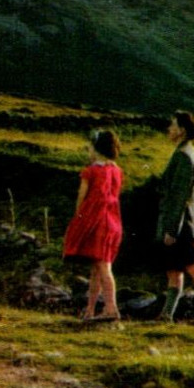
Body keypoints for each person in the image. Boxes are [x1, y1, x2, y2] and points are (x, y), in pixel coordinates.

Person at [155, 110, 194, 324]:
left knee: (191, 266)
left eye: (172, 125)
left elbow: (179, 196)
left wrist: (171, 229)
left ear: (181, 130)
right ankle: (166, 315)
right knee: (174, 269)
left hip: (183, 225)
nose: (169, 129)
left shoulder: (183, 156)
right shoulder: (189, 153)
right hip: (186, 222)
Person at [63, 129, 124, 322]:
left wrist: (78, 218)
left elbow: (81, 197)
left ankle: (111, 308)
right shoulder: (116, 171)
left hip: (96, 221)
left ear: (96, 148)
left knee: (103, 267)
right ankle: (90, 309)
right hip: (113, 221)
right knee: (98, 268)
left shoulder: (91, 171)